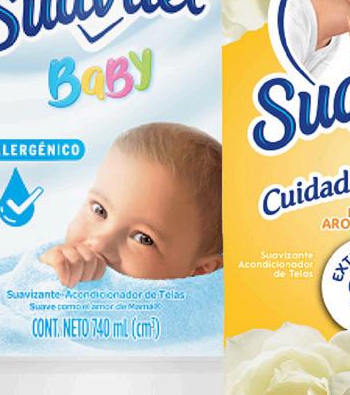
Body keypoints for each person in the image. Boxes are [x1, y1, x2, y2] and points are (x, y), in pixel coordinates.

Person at [40, 123, 222, 287]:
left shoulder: (195, 310)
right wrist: (46, 275)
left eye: (143, 238)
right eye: (99, 210)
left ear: (201, 271)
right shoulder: (51, 263)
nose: (99, 244)